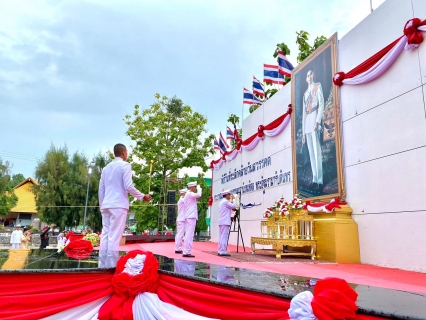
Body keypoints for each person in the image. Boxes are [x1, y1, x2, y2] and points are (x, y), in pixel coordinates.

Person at [98, 143, 151, 262]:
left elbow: (101, 189)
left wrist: (102, 205)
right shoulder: (125, 165)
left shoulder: (106, 168)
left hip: (106, 204)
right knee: (114, 236)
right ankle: (111, 265)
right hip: (118, 205)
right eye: (126, 152)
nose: (127, 154)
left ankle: (102, 264)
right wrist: (142, 196)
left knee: (105, 234)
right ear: (123, 152)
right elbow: (128, 186)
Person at [302, 69, 324, 190]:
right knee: (311, 153)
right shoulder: (305, 93)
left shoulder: (317, 86)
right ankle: (314, 179)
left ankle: (320, 181)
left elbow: (321, 104)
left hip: (315, 117)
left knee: (317, 152)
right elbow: (304, 112)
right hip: (308, 122)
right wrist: (303, 133)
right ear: (306, 79)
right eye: (307, 75)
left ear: (313, 76)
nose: (309, 77)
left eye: (310, 75)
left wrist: (317, 121)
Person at [182, 181, 202, 258]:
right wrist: (200, 188)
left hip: (189, 216)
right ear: (191, 187)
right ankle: (187, 251)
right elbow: (199, 195)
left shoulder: (188, 194)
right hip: (190, 216)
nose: (196, 188)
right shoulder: (189, 194)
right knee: (189, 235)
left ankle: (187, 251)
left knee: (189, 234)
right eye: (195, 187)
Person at [218, 190, 237, 257]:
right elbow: (234, 206)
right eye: (229, 194)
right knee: (224, 237)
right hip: (225, 222)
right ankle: (223, 251)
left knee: (221, 237)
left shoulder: (222, 202)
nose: (230, 196)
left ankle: (220, 250)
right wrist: (234, 200)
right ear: (226, 195)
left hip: (222, 221)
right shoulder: (225, 202)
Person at [174, 188, 187, 254]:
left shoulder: (181, 199)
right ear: (183, 193)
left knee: (180, 234)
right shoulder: (182, 199)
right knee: (180, 234)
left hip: (181, 219)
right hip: (182, 219)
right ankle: (178, 248)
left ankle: (178, 248)